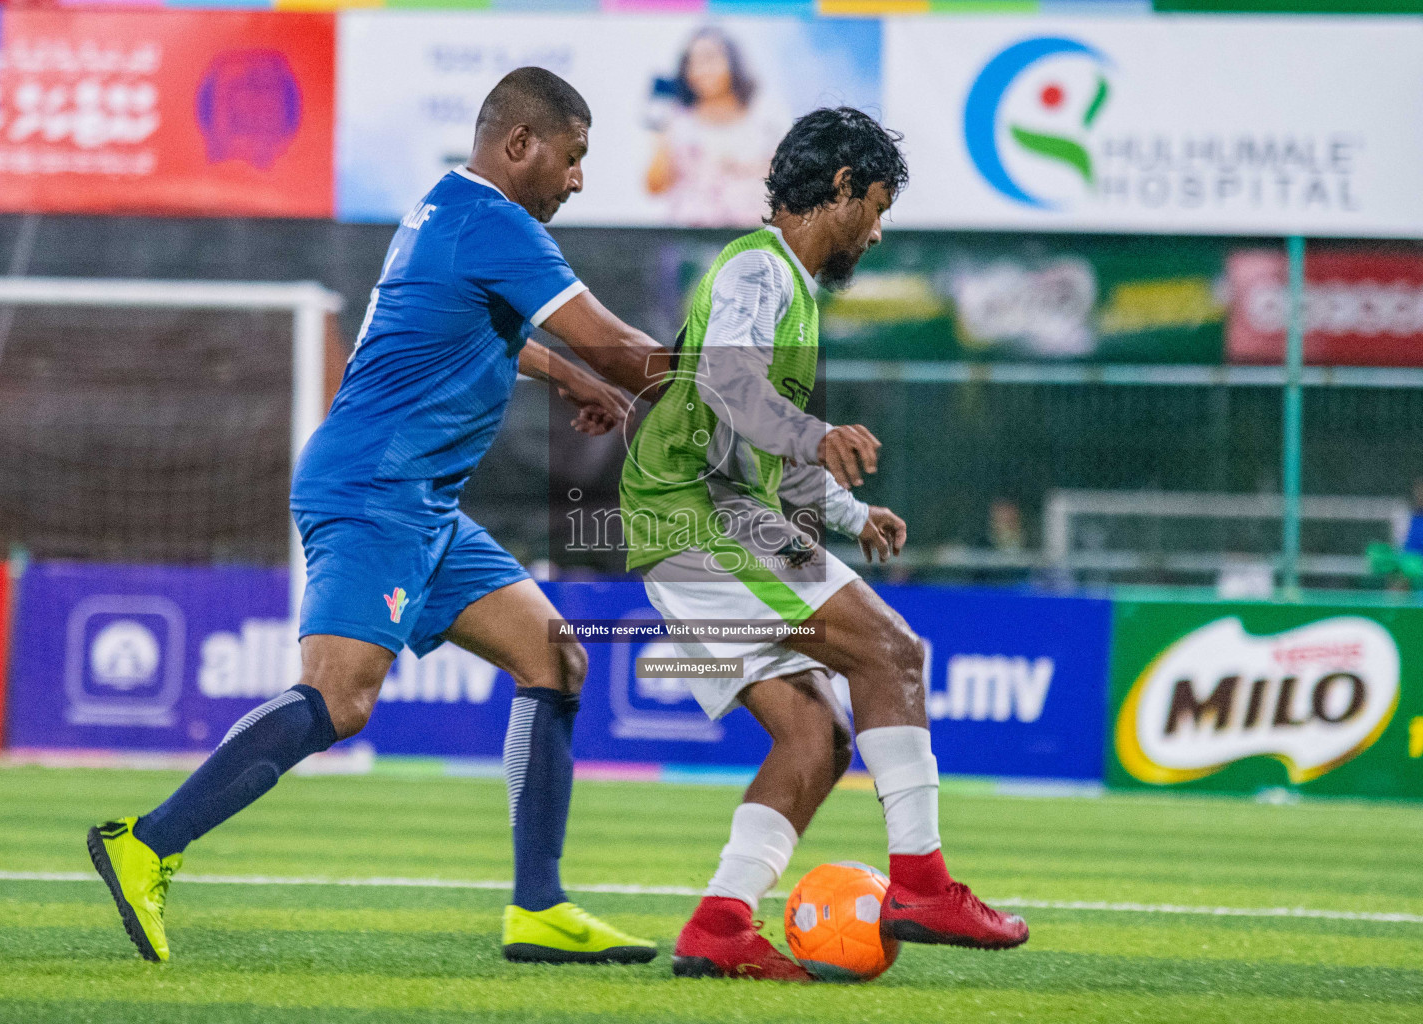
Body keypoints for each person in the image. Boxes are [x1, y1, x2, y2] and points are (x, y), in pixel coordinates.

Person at [88, 67, 672, 967]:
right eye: (575, 155)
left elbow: (460, 335)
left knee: (552, 655)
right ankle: (145, 844)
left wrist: (571, 379)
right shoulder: (497, 226)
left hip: (419, 497)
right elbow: (628, 349)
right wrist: (736, 398)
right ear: (521, 144)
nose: (579, 178)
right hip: (376, 490)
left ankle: (539, 908)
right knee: (341, 698)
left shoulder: (441, 210)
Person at [620, 107, 1030, 982]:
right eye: (876, 207)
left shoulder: (792, 293)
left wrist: (848, 514)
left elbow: (762, 438)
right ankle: (921, 882)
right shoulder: (756, 268)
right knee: (893, 652)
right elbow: (732, 388)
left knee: (816, 739)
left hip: (706, 515)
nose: (877, 232)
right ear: (841, 187)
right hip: (697, 516)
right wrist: (813, 436)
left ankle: (721, 925)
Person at [645, 26, 788, 228]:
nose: (700, 70)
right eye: (691, 62)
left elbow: (789, 184)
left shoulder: (765, 119)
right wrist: (659, 133)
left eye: (709, 58)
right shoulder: (678, 122)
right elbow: (654, 186)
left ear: (733, 62)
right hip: (693, 243)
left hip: (754, 239)